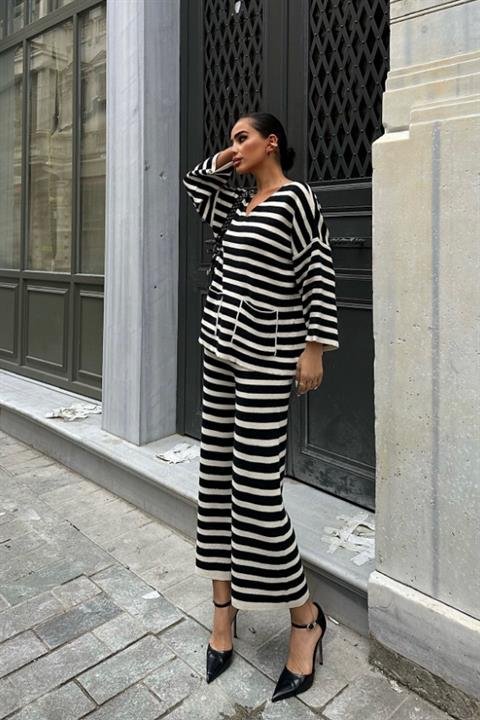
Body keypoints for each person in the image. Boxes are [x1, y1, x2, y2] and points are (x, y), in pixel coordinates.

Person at [182, 112, 339, 702]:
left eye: (242, 137)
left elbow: (317, 270)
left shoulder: (296, 199)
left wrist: (314, 345)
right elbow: (195, 185)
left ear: (272, 142)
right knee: (215, 480)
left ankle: (306, 617)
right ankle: (223, 613)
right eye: (230, 140)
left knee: (255, 489)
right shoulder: (236, 204)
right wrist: (225, 159)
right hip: (218, 351)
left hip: (268, 357)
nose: (234, 147)